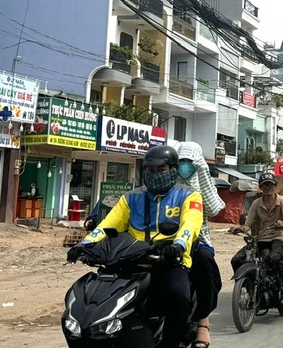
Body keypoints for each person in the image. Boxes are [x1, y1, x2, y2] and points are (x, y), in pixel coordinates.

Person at [67, 145, 203, 348]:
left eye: (160, 170)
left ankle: (171, 343)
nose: (154, 174)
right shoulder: (131, 197)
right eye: (149, 169)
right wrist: (85, 244)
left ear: (173, 170)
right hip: (131, 259)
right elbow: (108, 225)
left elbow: (190, 225)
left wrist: (178, 245)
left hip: (168, 260)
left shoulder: (188, 196)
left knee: (178, 296)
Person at [175, 142, 225, 348]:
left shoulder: (201, 180)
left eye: (190, 161)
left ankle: (203, 320)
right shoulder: (168, 178)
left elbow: (214, 209)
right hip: (166, 237)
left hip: (198, 239)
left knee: (206, 267)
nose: (185, 165)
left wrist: (203, 172)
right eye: (182, 161)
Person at [230, 172, 283, 303]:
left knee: (274, 258)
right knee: (236, 260)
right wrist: (238, 228)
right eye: (264, 185)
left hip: (278, 236)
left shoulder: (282, 200)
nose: (267, 188)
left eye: (270, 185)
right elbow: (248, 225)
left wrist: (282, 223)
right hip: (261, 238)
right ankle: (248, 286)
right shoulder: (256, 203)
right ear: (260, 187)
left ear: (275, 186)